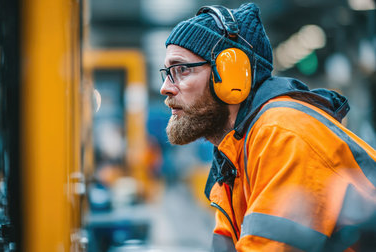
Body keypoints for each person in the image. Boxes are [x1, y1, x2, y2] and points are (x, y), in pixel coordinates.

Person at [159, 3, 376, 251]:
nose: (165, 87)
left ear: (232, 74)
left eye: (181, 69)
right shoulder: (234, 155)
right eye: (167, 72)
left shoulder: (283, 133)